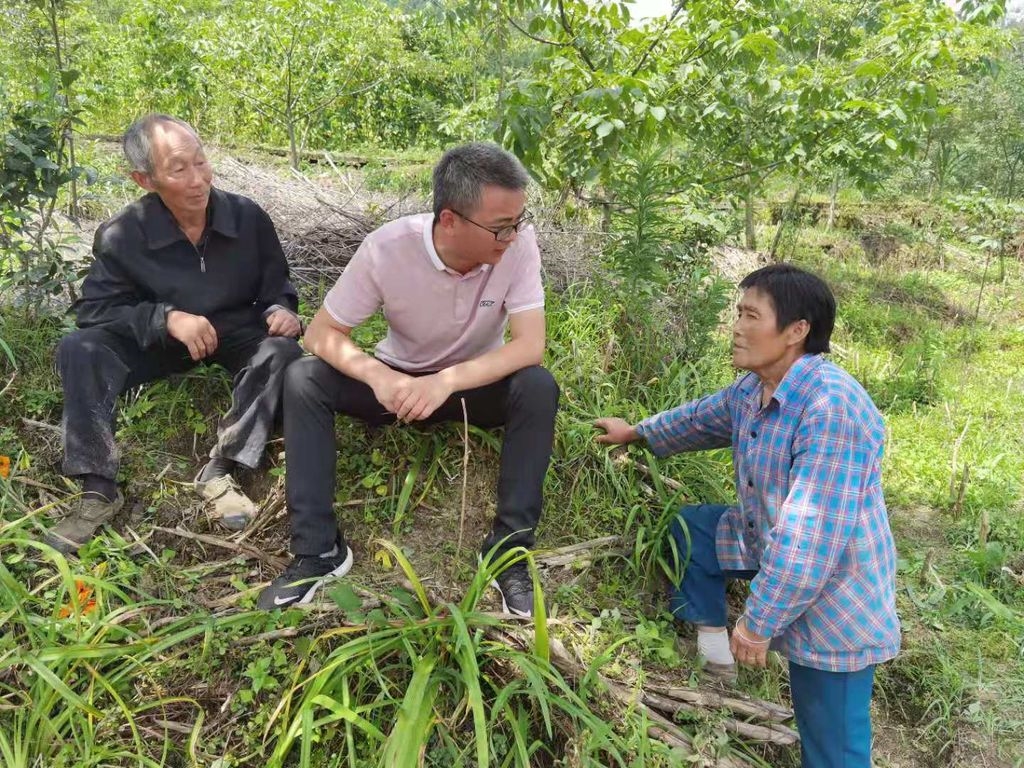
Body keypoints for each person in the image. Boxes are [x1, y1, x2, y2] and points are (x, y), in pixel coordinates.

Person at [594, 263, 900, 768]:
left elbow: (809, 542)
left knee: (833, 744)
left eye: (751, 315)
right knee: (693, 528)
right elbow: (699, 419)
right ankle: (714, 655)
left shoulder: (831, 406)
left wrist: (757, 625)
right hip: (767, 540)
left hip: (836, 598)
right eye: (737, 313)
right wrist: (637, 433)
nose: (736, 327)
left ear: (796, 331)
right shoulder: (753, 391)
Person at [257, 142, 559, 615]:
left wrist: (446, 381)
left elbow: (528, 345)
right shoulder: (388, 247)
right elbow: (321, 332)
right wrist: (377, 376)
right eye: (500, 228)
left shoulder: (519, 248)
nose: (512, 237)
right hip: (396, 386)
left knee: (538, 386)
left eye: (518, 223)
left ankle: (508, 552)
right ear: (450, 220)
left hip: (468, 389)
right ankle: (316, 551)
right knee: (303, 377)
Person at [47, 114, 302, 554]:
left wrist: (283, 311)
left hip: (234, 331)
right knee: (79, 347)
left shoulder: (247, 217)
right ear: (144, 179)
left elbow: (276, 288)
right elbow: (96, 311)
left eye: (200, 162)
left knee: (284, 352)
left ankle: (221, 469)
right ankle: (97, 487)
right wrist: (167, 319)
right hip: (160, 340)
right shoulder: (122, 234)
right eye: (178, 169)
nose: (197, 179)